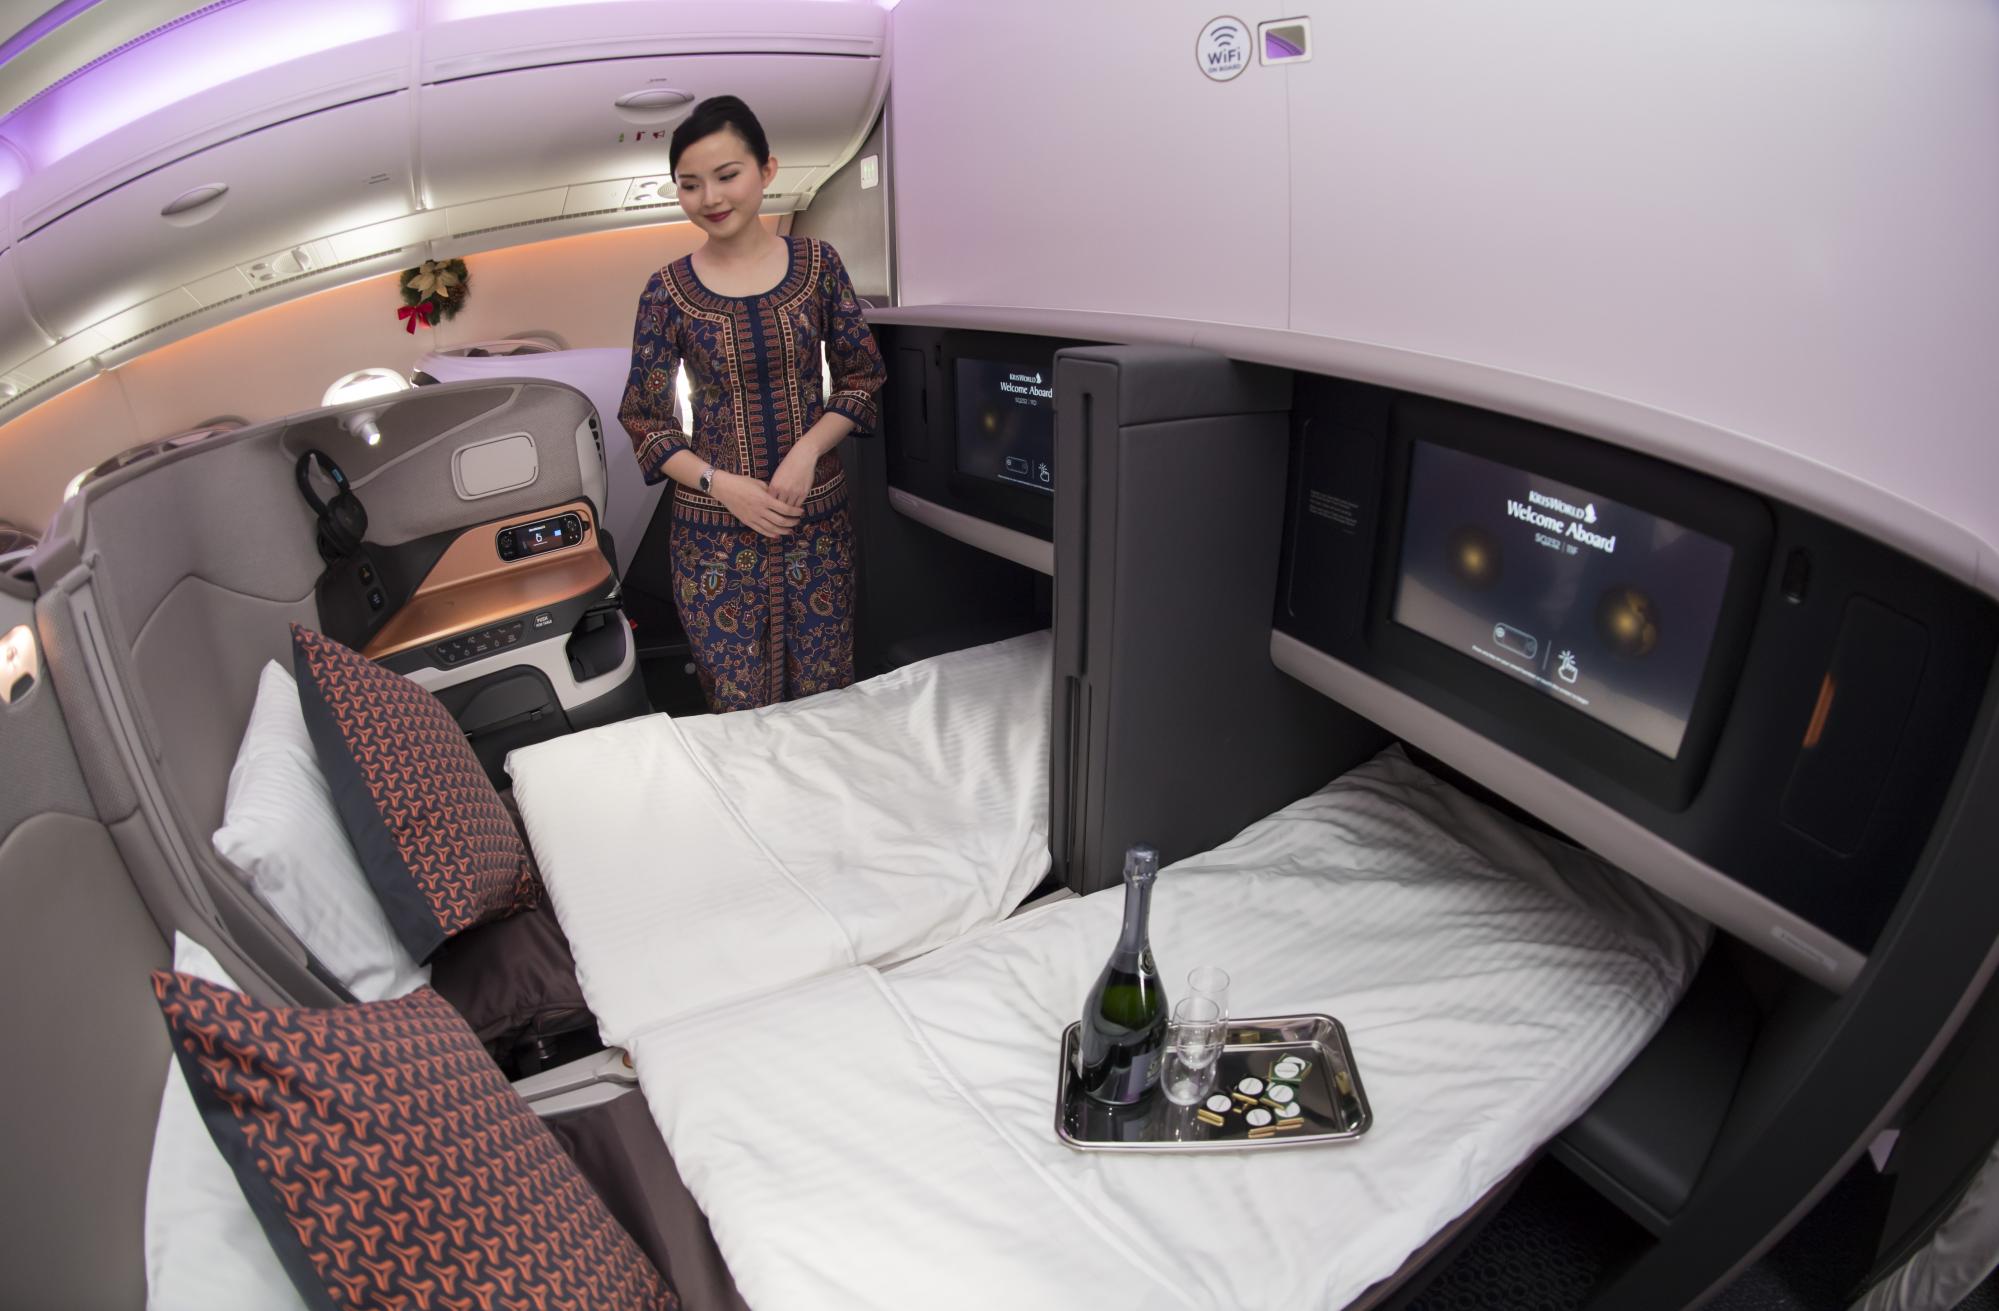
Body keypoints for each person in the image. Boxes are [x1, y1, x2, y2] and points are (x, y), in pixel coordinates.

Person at [618, 95, 886, 712]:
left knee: (824, 694)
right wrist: (721, 485)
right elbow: (645, 421)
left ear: (767, 170)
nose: (709, 197)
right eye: (690, 184)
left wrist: (807, 453)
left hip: (814, 522)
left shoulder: (819, 264)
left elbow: (862, 376)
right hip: (713, 538)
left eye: (726, 175)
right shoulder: (665, 292)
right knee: (737, 704)